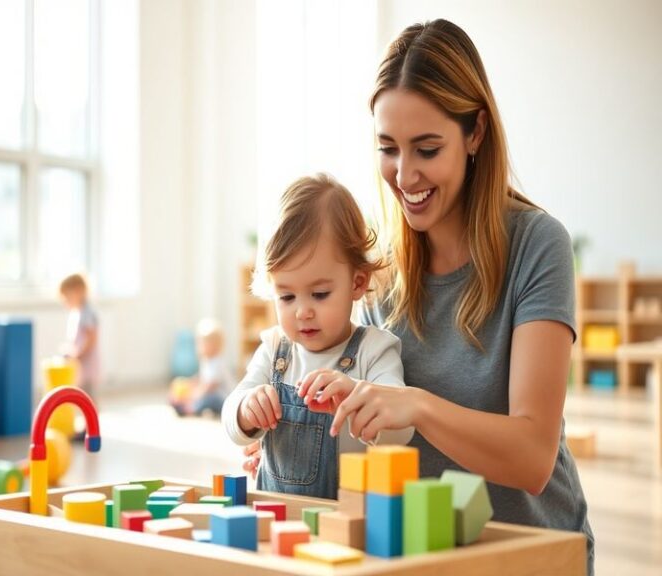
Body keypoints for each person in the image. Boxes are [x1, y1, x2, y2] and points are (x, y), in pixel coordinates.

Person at [311, 19, 592, 573]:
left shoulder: (538, 245)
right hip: (424, 555)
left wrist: (417, 404)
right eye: (388, 148)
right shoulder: (379, 271)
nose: (404, 173)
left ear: (475, 133)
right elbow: (371, 439)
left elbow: (533, 456)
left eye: (427, 148)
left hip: (532, 552)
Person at [221, 174, 413, 499]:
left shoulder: (374, 351)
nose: (302, 312)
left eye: (320, 294)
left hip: (348, 522)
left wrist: (357, 398)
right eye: (287, 297)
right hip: (276, 518)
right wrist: (245, 410)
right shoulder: (274, 350)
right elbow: (231, 419)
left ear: (356, 283)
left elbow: (403, 430)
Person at [169, 318, 233, 417]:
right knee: (197, 392)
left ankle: (191, 408)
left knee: (210, 398)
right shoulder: (206, 361)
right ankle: (184, 403)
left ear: (216, 346)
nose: (200, 346)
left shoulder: (218, 363)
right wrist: (188, 384)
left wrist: (194, 396)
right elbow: (201, 378)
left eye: (204, 343)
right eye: (199, 343)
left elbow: (210, 386)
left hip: (225, 400)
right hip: (211, 394)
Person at [59, 273, 100, 404]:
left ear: (79, 291)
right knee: (82, 394)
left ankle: (92, 422)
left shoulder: (87, 312)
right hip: (80, 364)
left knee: (88, 397)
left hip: (87, 363)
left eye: (68, 297)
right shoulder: (77, 313)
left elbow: (91, 338)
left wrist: (78, 353)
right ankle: (87, 421)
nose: (66, 301)